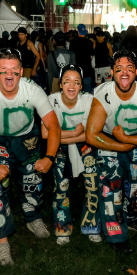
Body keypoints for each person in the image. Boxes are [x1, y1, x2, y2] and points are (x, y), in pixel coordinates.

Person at [0, 46, 59, 265]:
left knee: (32, 183)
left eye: (15, 69)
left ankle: (33, 218)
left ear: (22, 71)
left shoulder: (32, 89)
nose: (9, 74)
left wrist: (50, 157)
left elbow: (53, 125)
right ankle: (2, 241)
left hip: (26, 139)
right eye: (4, 69)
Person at [87, 48, 137, 237]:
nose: (125, 72)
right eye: (119, 68)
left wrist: (127, 140)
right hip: (110, 138)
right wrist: (120, 145)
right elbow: (92, 135)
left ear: (136, 72)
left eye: (130, 67)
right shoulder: (102, 94)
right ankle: (115, 230)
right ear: (112, 73)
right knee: (111, 185)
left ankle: (133, 220)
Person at [45, 63, 100, 244]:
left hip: (85, 146)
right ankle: (62, 226)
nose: (71, 86)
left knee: (93, 185)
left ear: (82, 86)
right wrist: (75, 133)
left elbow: (91, 135)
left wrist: (61, 136)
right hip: (61, 147)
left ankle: (91, 224)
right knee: (61, 188)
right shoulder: (51, 100)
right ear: (60, 84)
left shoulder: (89, 101)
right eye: (67, 81)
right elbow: (45, 134)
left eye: (76, 82)